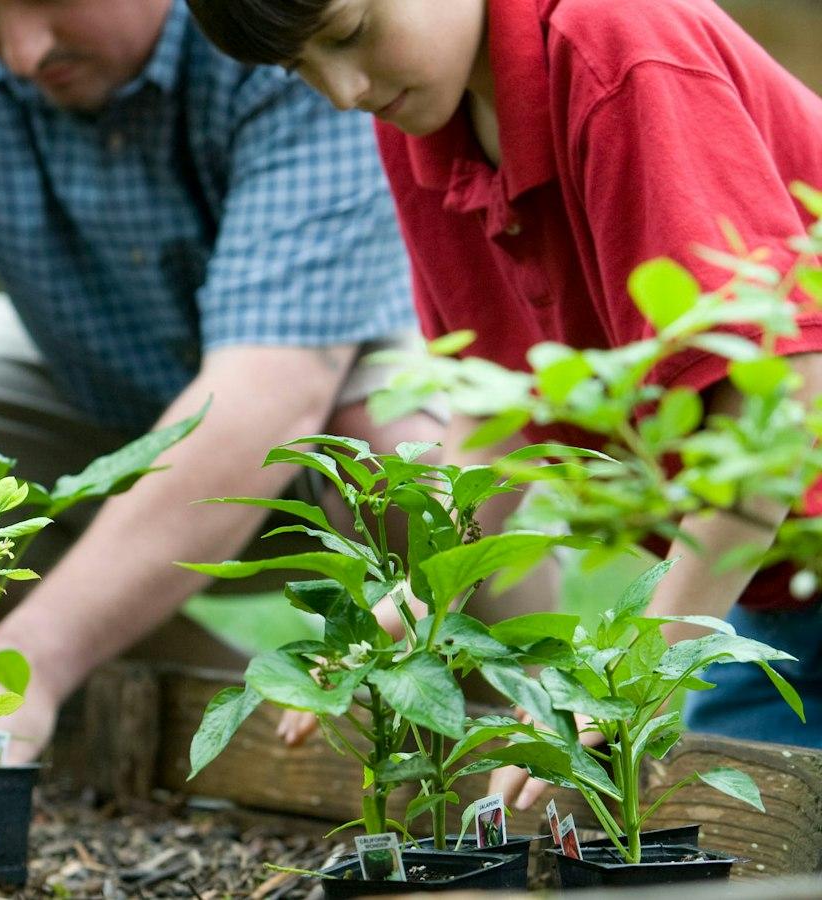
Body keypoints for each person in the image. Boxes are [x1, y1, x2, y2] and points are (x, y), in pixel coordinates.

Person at [0, 0, 442, 771]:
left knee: (416, 468)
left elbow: (267, 395)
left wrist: (28, 663)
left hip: (331, 354)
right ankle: (170, 692)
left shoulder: (277, 25)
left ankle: (515, 725)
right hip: (80, 354)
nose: (20, 52)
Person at [185, 0, 822, 782]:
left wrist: (632, 674)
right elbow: (498, 409)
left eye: (350, 34)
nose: (343, 91)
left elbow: (780, 392)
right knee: (736, 828)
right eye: (299, 68)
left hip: (768, 548)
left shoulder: (615, 48)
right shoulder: (426, 120)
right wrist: (416, 605)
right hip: (773, 585)